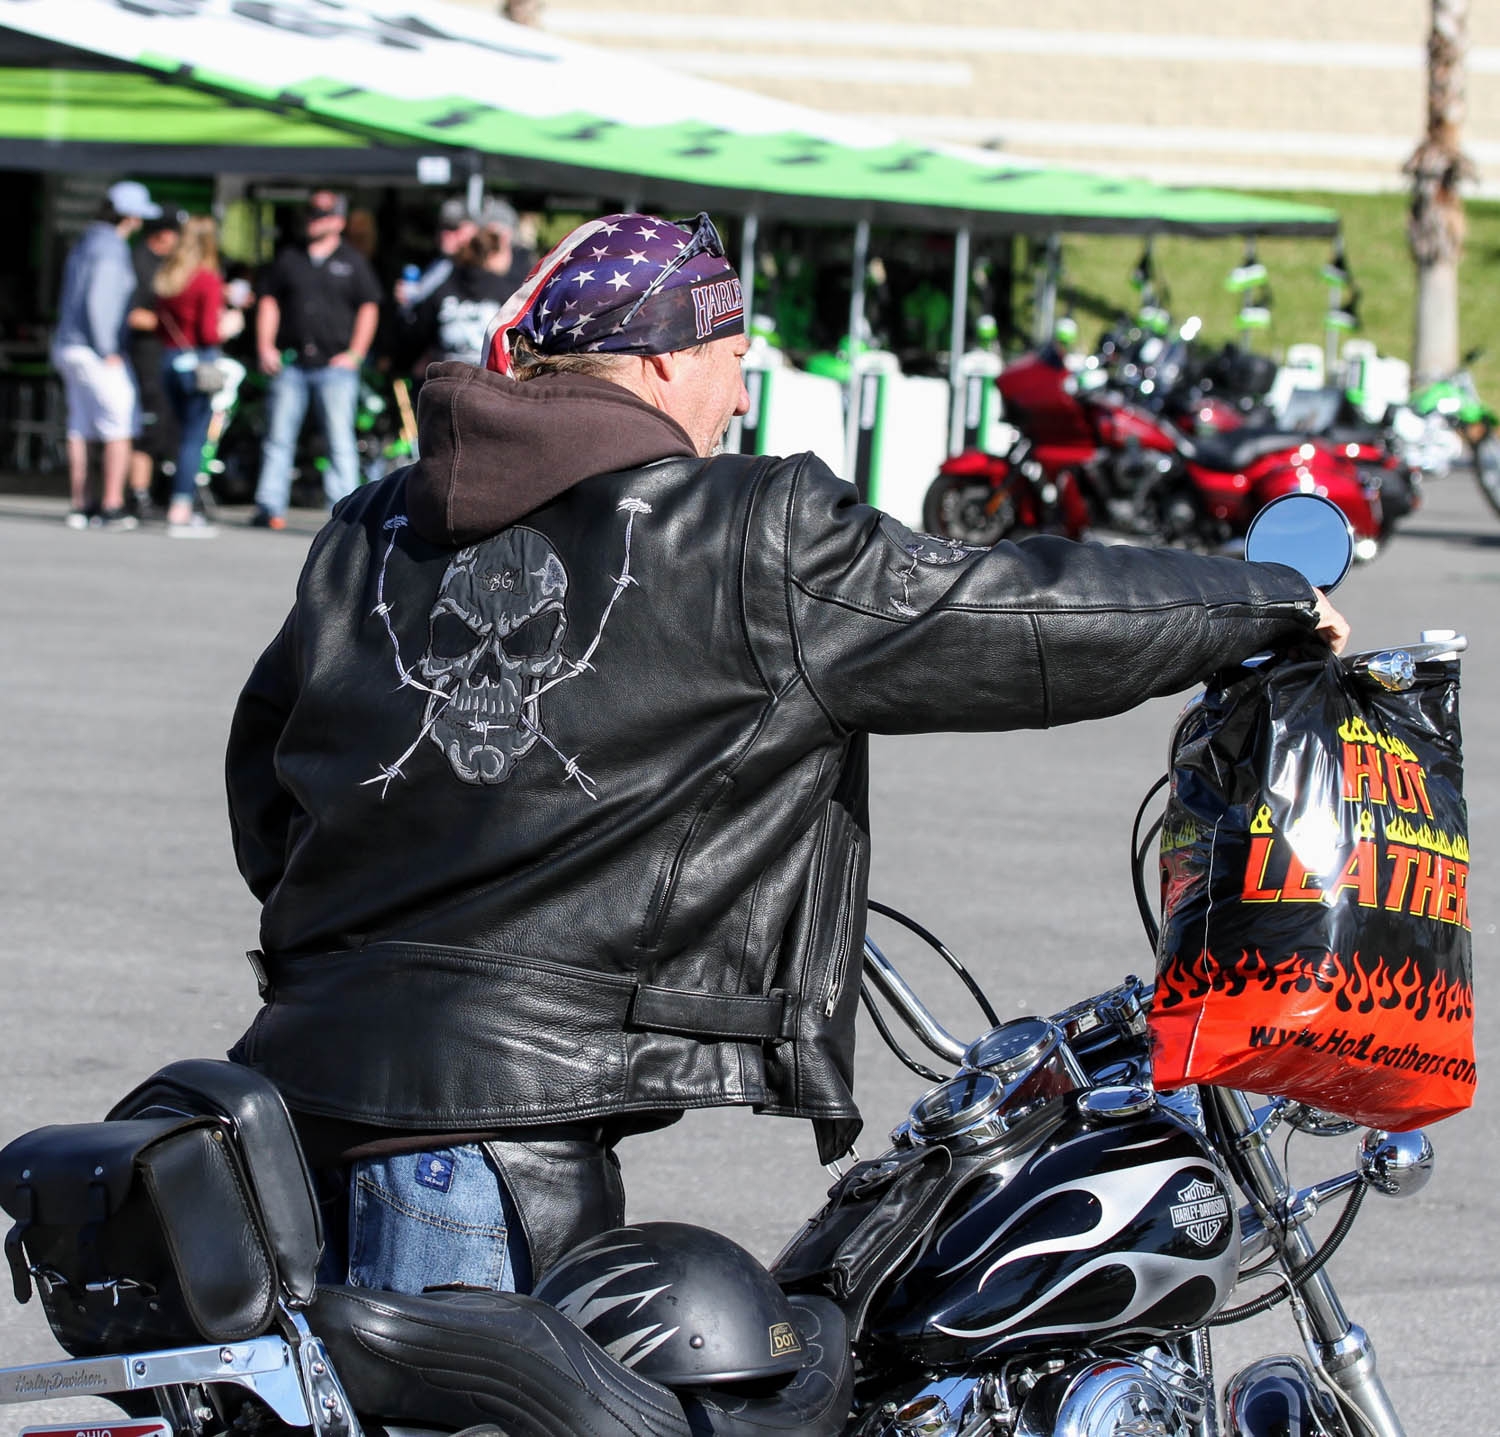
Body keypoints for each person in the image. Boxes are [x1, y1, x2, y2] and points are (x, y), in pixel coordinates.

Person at [225, 212, 1348, 1297]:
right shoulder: (746, 527)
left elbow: (269, 785)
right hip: (482, 1139)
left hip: (292, 1091)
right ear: (665, 363)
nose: (740, 389)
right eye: (731, 356)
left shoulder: (372, 525)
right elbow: (1017, 617)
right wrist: (1266, 600)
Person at [251, 191, 380, 530]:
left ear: (338, 220)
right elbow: (268, 302)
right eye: (311, 214)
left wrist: (356, 352)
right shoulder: (289, 258)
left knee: (339, 440)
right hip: (293, 362)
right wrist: (265, 346)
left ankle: (347, 512)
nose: (314, 220)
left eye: (322, 215)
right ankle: (269, 505)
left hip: (334, 366)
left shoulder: (352, 261)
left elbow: (369, 306)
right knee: (278, 438)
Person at [51, 179, 163, 530]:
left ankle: (80, 504)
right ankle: (112, 504)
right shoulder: (111, 248)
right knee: (120, 424)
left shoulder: (85, 241)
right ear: (127, 216)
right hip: (95, 349)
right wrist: (108, 348)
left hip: (67, 343)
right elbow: (99, 300)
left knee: (80, 426)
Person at [154, 215, 225, 538]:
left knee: (179, 434)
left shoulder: (169, 276)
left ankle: (173, 499)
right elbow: (209, 332)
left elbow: (159, 325)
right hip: (198, 363)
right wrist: (230, 325)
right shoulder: (207, 279)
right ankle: (180, 507)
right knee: (194, 439)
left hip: (169, 359)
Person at [409, 204, 527, 369]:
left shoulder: (444, 285)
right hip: (487, 381)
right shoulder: (508, 292)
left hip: (449, 377)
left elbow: (419, 331)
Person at [126, 210, 183, 517]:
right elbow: (133, 314)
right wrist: (172, 322)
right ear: (163, 233)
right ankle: (137, 493)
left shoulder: (166, 264)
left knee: (167, 425)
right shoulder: (140, 261)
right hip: (144, 353)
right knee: (149, 424)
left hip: (163, 353)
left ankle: (157, 491)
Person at [395, 196, 477, 315]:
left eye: (453, 228)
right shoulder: (438, 264)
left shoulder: (481, 268)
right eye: (442, 227)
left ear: (471, 230)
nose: (445, 234)